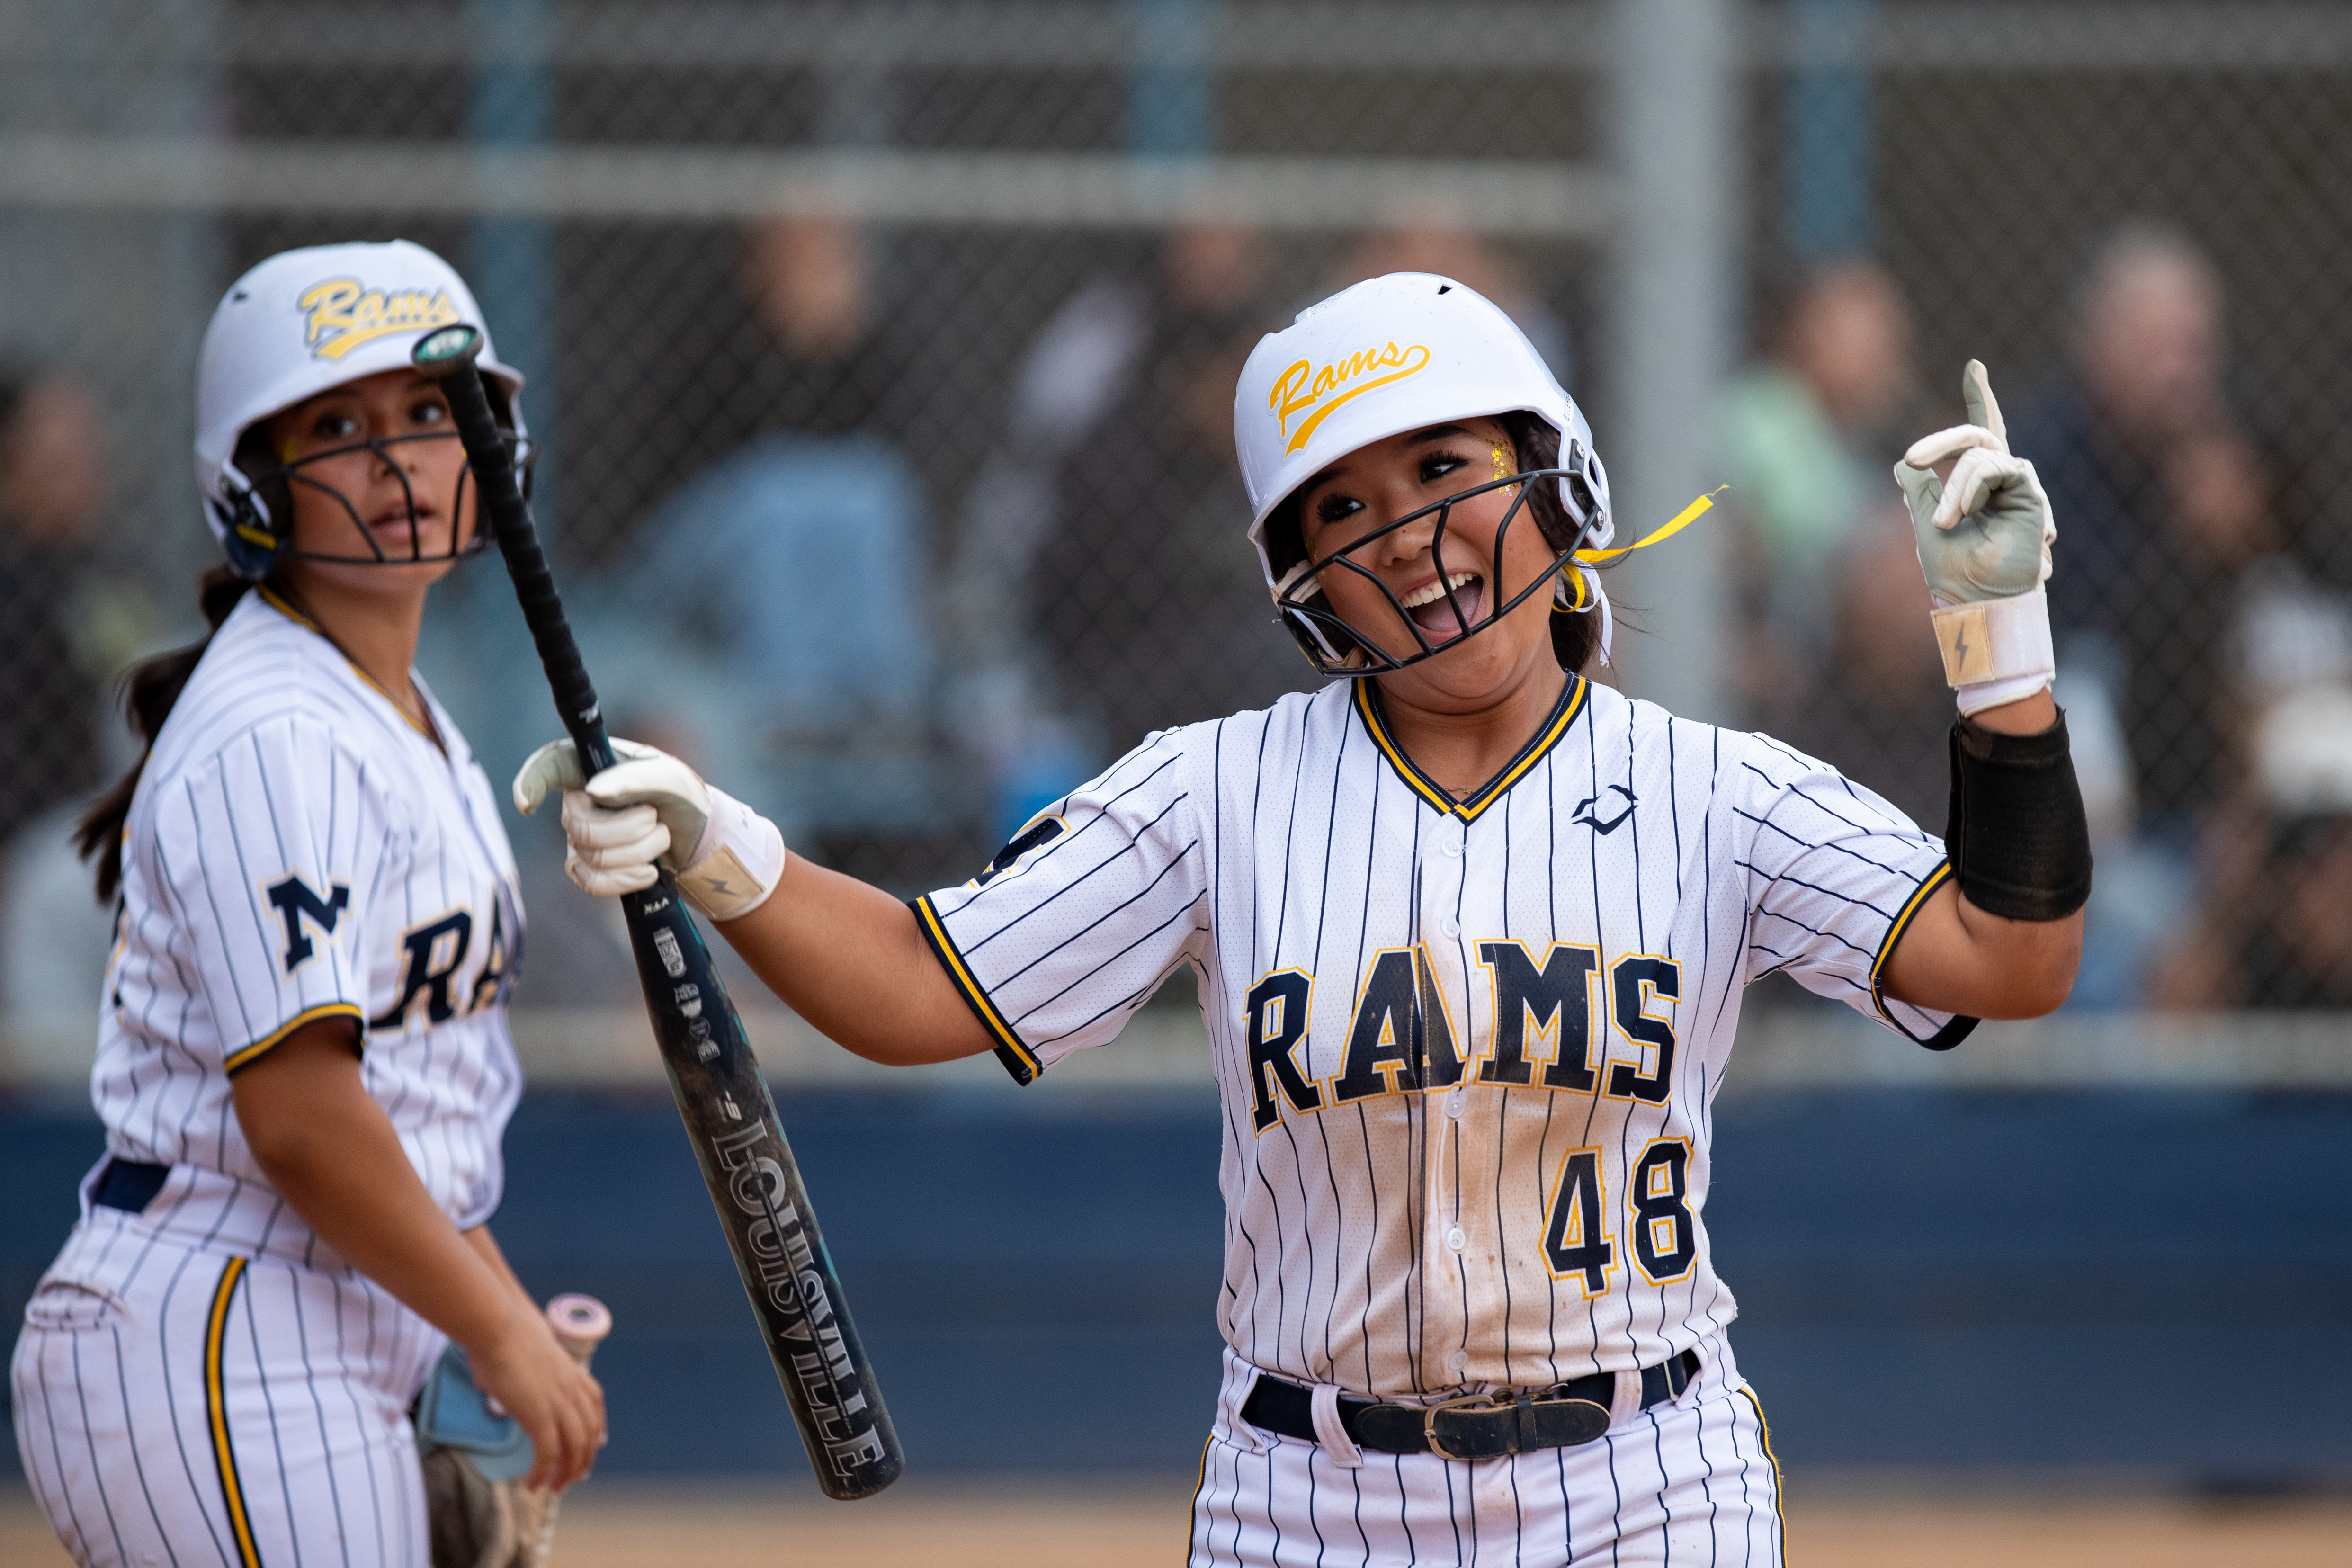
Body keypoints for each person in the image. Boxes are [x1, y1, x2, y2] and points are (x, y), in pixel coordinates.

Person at [517, 276, 2088, 1564]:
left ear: (1556, 481)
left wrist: (2000, 652)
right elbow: (928, 986)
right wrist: (726, 852)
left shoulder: (1716, 789)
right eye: (1346, 504)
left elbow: (2012, 961)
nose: (1403, 529)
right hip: (1311, 1499)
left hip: (1646, 1484)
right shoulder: (1214, 793)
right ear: (1304, 579)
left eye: (1441, 469)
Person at [9, 240, 603, 1568]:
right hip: (229, 1323)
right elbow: (302, 1120)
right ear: (249, 474)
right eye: (338, 425)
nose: (396, 463)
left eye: (428, 415)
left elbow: (403, 1113)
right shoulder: (280, 724)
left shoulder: (400, 714)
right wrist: (500, 1335)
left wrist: (485, 1314)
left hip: (335, 1313)